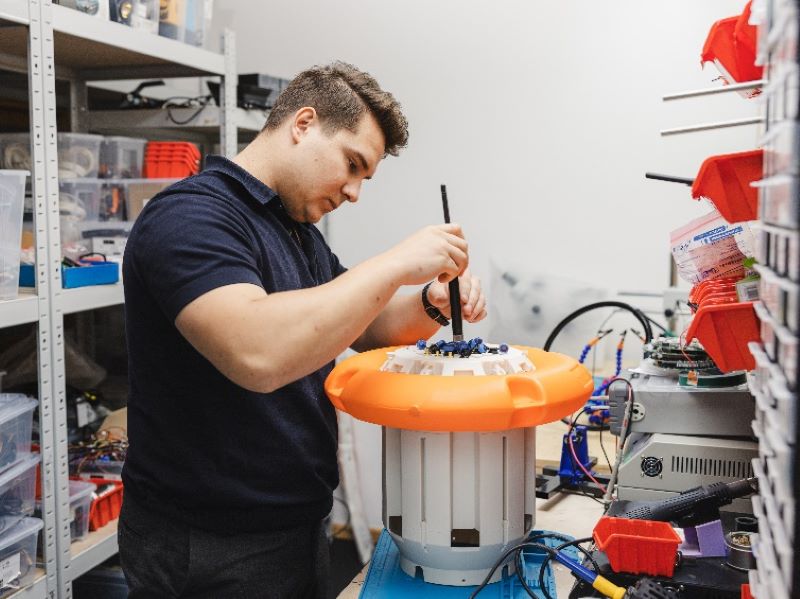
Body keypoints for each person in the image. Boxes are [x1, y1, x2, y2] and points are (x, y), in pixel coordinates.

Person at [118, 61, 487, 598]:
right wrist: (394, 263)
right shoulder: (190, 216)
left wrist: (429, 302)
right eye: (352, 165)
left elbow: (364, 325)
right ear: (304, 124)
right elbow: (257, 353)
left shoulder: (295, 229)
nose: (354, 191)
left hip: (291, 521)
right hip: (210, 541)